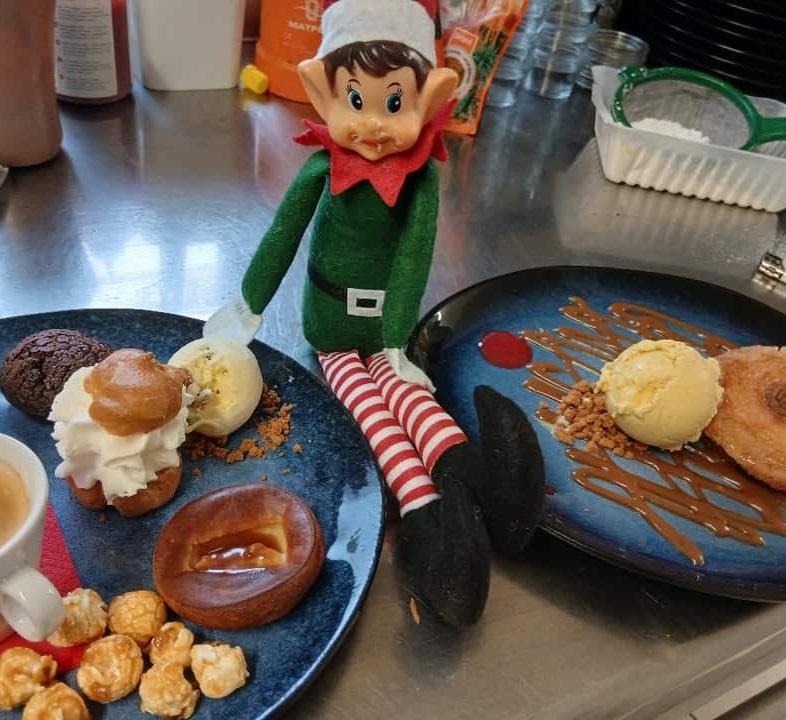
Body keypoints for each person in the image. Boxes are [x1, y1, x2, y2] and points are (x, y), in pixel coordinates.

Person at [204, 0, 544, 626]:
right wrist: (247, 305)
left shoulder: (421, 184)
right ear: (323, 92)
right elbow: (280, 238)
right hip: (332, 330)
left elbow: (413, 262)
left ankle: (477, 478)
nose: (373, 125)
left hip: (388, 329)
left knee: (407, 394)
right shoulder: (320, 170)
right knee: (369, 407)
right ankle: (426, 518)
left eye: (394, 103)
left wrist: (393, 343)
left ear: (430, 98)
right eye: (355, 100)